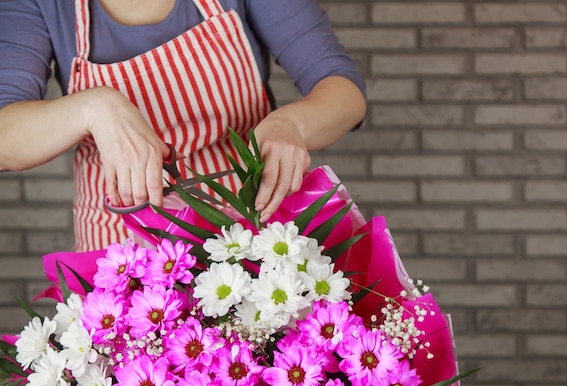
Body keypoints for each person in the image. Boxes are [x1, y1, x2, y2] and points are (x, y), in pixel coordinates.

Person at [0, 0, 367, 252]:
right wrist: (91, 106)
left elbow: (344, 91)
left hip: (252, 238)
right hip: (119, 256)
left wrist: (293, 123)